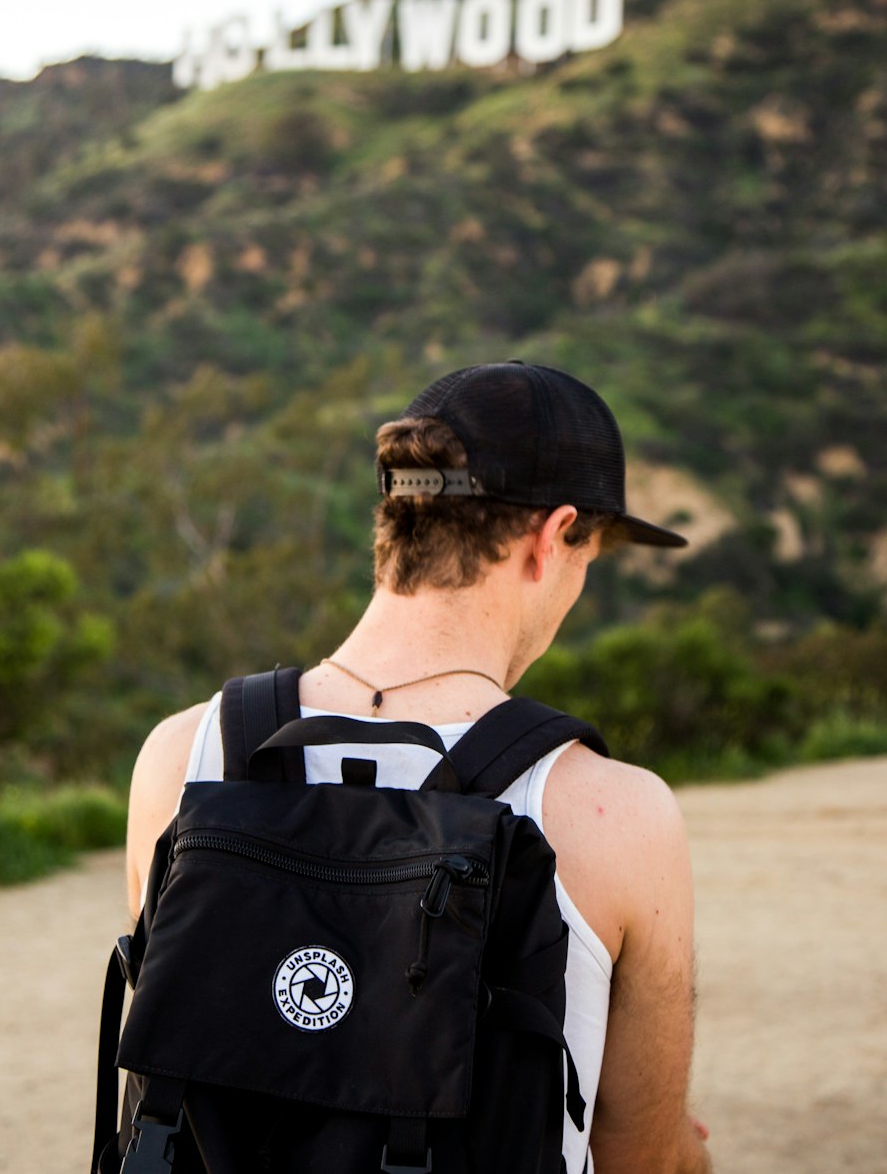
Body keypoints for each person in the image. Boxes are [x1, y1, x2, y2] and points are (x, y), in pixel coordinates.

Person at [126, 360, 712, 1174]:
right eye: (590, 557)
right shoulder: (616, 812)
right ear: (552, 539)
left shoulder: (185, 755)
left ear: (397, 515)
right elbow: (638, 1158)